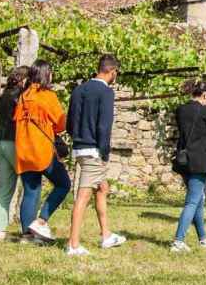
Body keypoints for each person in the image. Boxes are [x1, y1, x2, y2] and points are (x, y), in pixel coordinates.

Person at [65, 54, 126, 255]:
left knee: (102, 188)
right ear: (112, 71)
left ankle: (106, 235)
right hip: (93, 150)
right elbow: (104, 126)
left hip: (79, 147)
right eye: (116, 72)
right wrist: (104, 152)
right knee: (83, 197)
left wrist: (79, 138)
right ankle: (73, 245)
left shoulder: (78, 90)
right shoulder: (106, 92)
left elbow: (70, 123)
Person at [14, 60, 72, 243]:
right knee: (64, 184)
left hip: (23, 150)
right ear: (46, 74)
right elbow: (61, 124)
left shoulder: (23, 96)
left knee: (31, 192)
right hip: (41, 150)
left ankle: (27, 236)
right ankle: (41, 221)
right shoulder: (47, 95)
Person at [170, 80, 206, 251]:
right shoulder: (205, 110)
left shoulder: (180, 109)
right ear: (205, 95)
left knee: (198, 200)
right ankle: (178, 241)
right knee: (192, 202)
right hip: (200, 160)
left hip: (184, 159)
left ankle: (203, 238)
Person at [0, 66, 29, 241]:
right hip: (15, 143)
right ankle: (29, 230)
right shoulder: (21, 97)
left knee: (4, 189)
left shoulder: (2, 96)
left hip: (0, 142)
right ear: (23, 80)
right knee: (31, 186)